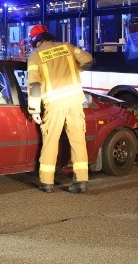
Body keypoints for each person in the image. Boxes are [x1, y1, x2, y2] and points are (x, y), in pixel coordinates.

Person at [27, 24, 94, 194]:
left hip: (55, 103)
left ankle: (47, 182)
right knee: (78, 141)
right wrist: (75, 67)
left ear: (35, 41)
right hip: (75, 101)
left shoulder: (35, 56)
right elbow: (88, 60)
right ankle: (81, 181)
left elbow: (34, 85)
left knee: (50, 141)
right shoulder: (67, 47)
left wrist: (34, 109)